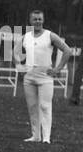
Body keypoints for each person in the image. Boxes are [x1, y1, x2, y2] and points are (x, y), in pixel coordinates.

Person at [14, 10, 72, 144]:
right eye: (35, 19)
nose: (37, 22)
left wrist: (58, 69)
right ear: (30, 21)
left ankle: (46, 137)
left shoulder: (50, 36)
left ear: (43, 20)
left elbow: (67, 50)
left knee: (45, 106)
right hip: (29, 77)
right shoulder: (25, 37)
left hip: (45, 77)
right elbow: (15, 53)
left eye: (40, 19)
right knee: (32, 106)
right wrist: (20, 67)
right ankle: (36, 136)